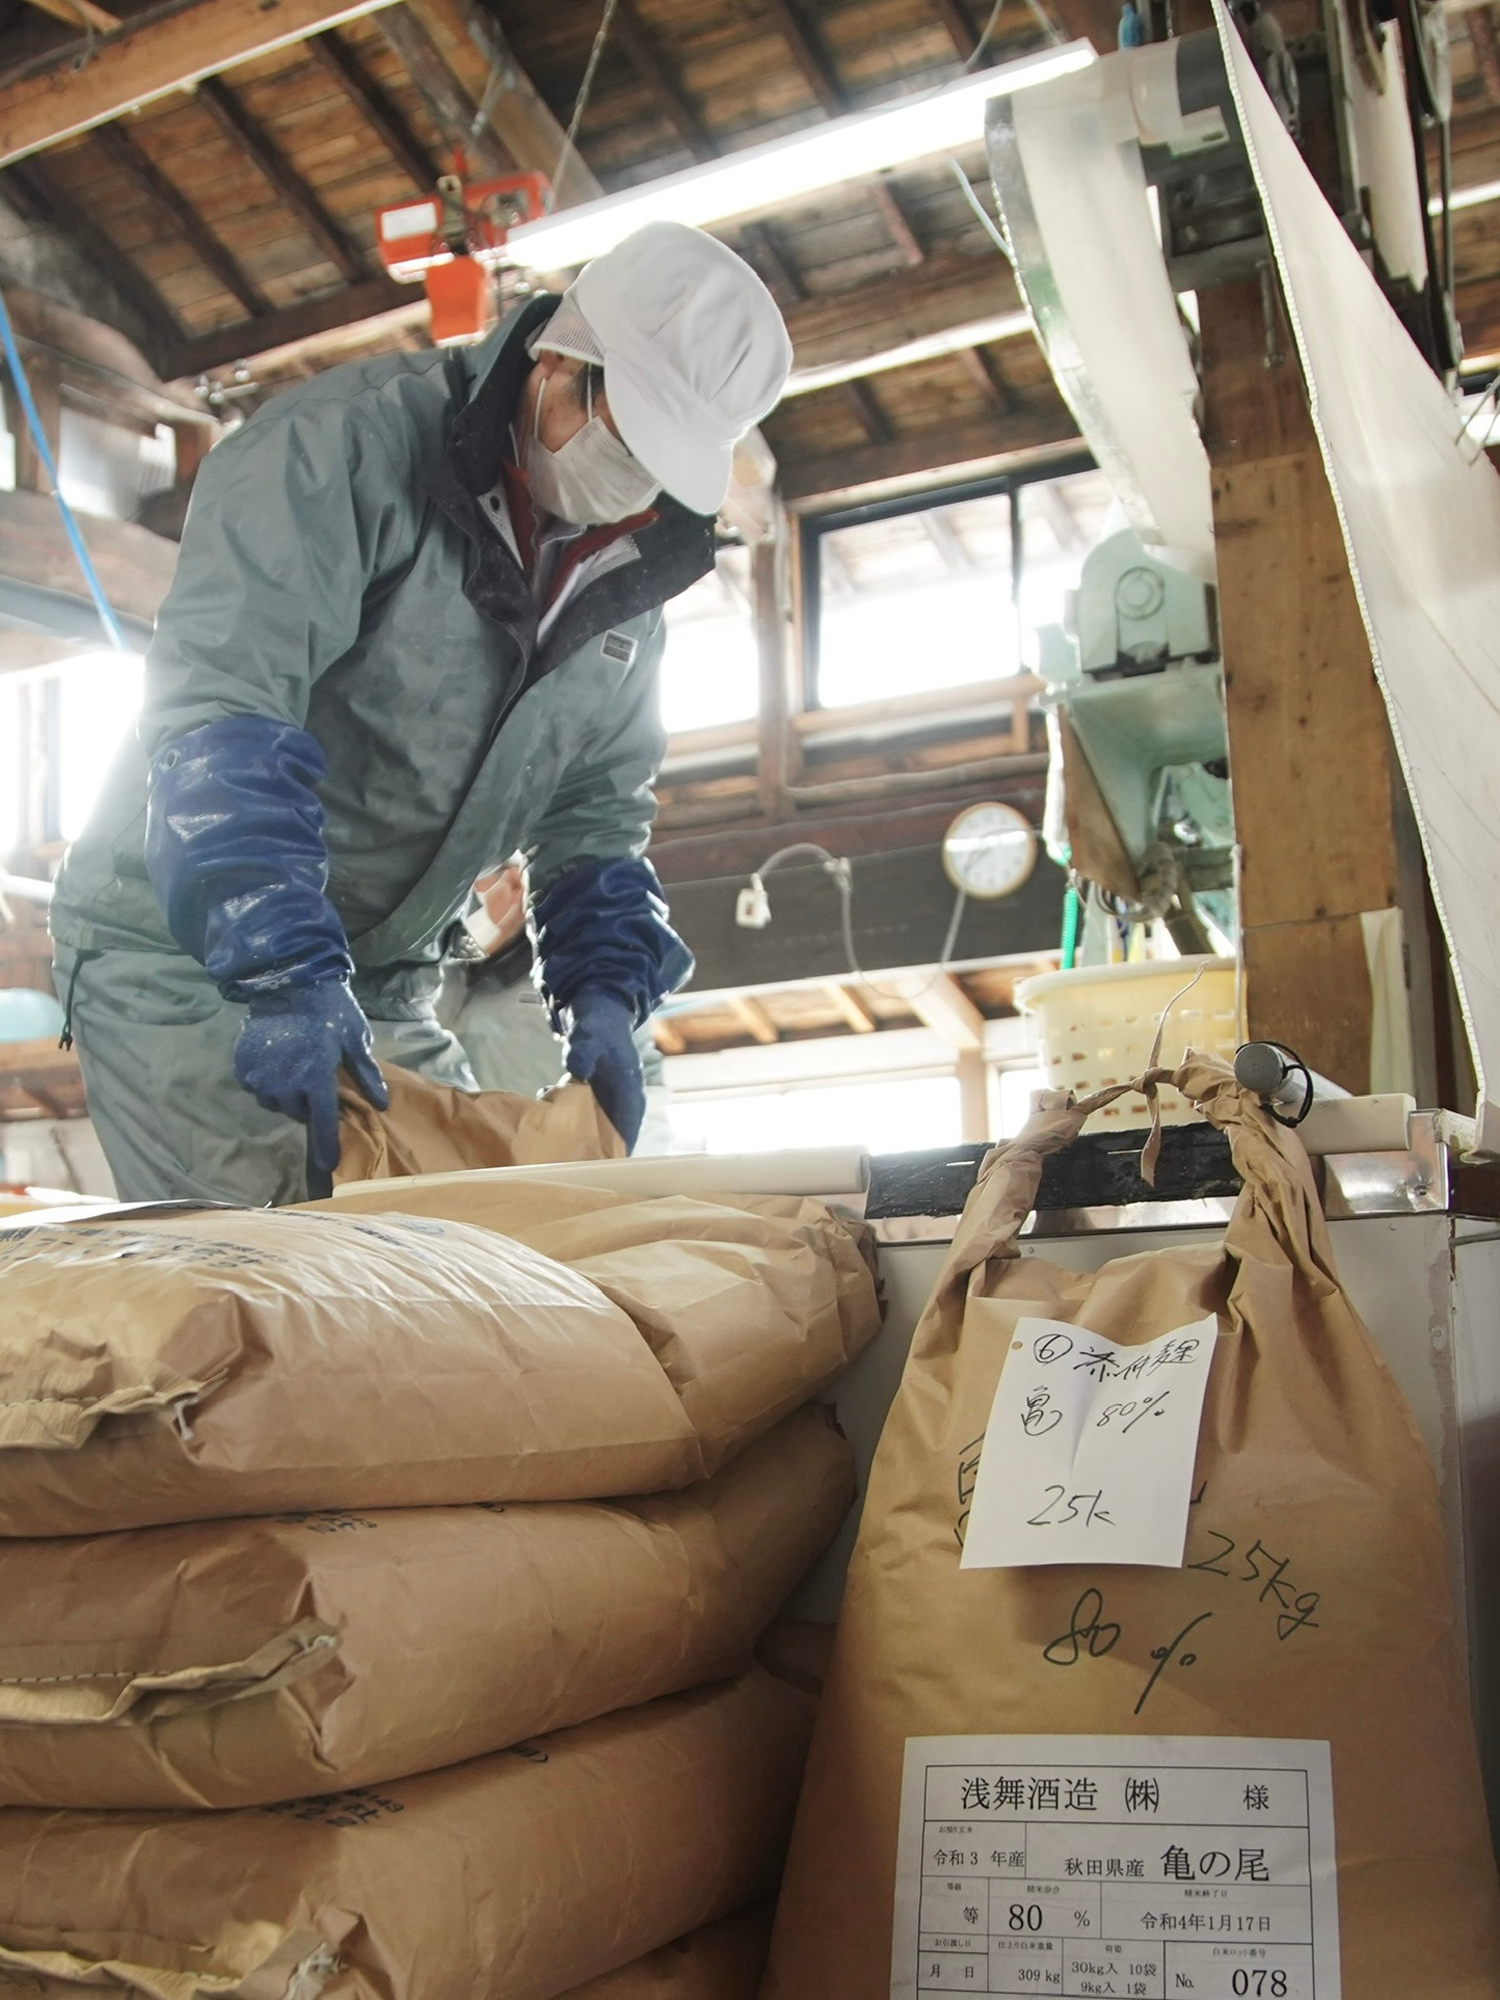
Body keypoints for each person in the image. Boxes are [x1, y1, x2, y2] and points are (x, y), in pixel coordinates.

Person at [49, 220, 791, 1202]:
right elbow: (223, 717)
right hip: (195, 954)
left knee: (460, 1255)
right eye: (627, 438)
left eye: (659, 463)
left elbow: (595, 819)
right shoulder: (334, 452)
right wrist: (279, 967)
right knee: (290, 1294)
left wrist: (606, 991)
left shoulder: (626, 583)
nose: (630, 486)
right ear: (561, 359)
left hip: (386, 977)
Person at [438, 862, 674, 1150]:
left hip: (549, 1160)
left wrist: (641, 1167)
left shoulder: (588, 976)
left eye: (471, 888)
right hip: (453, 1158)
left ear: (514, 883)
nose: (462, 906)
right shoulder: (430, 977)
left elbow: (642, 1081)